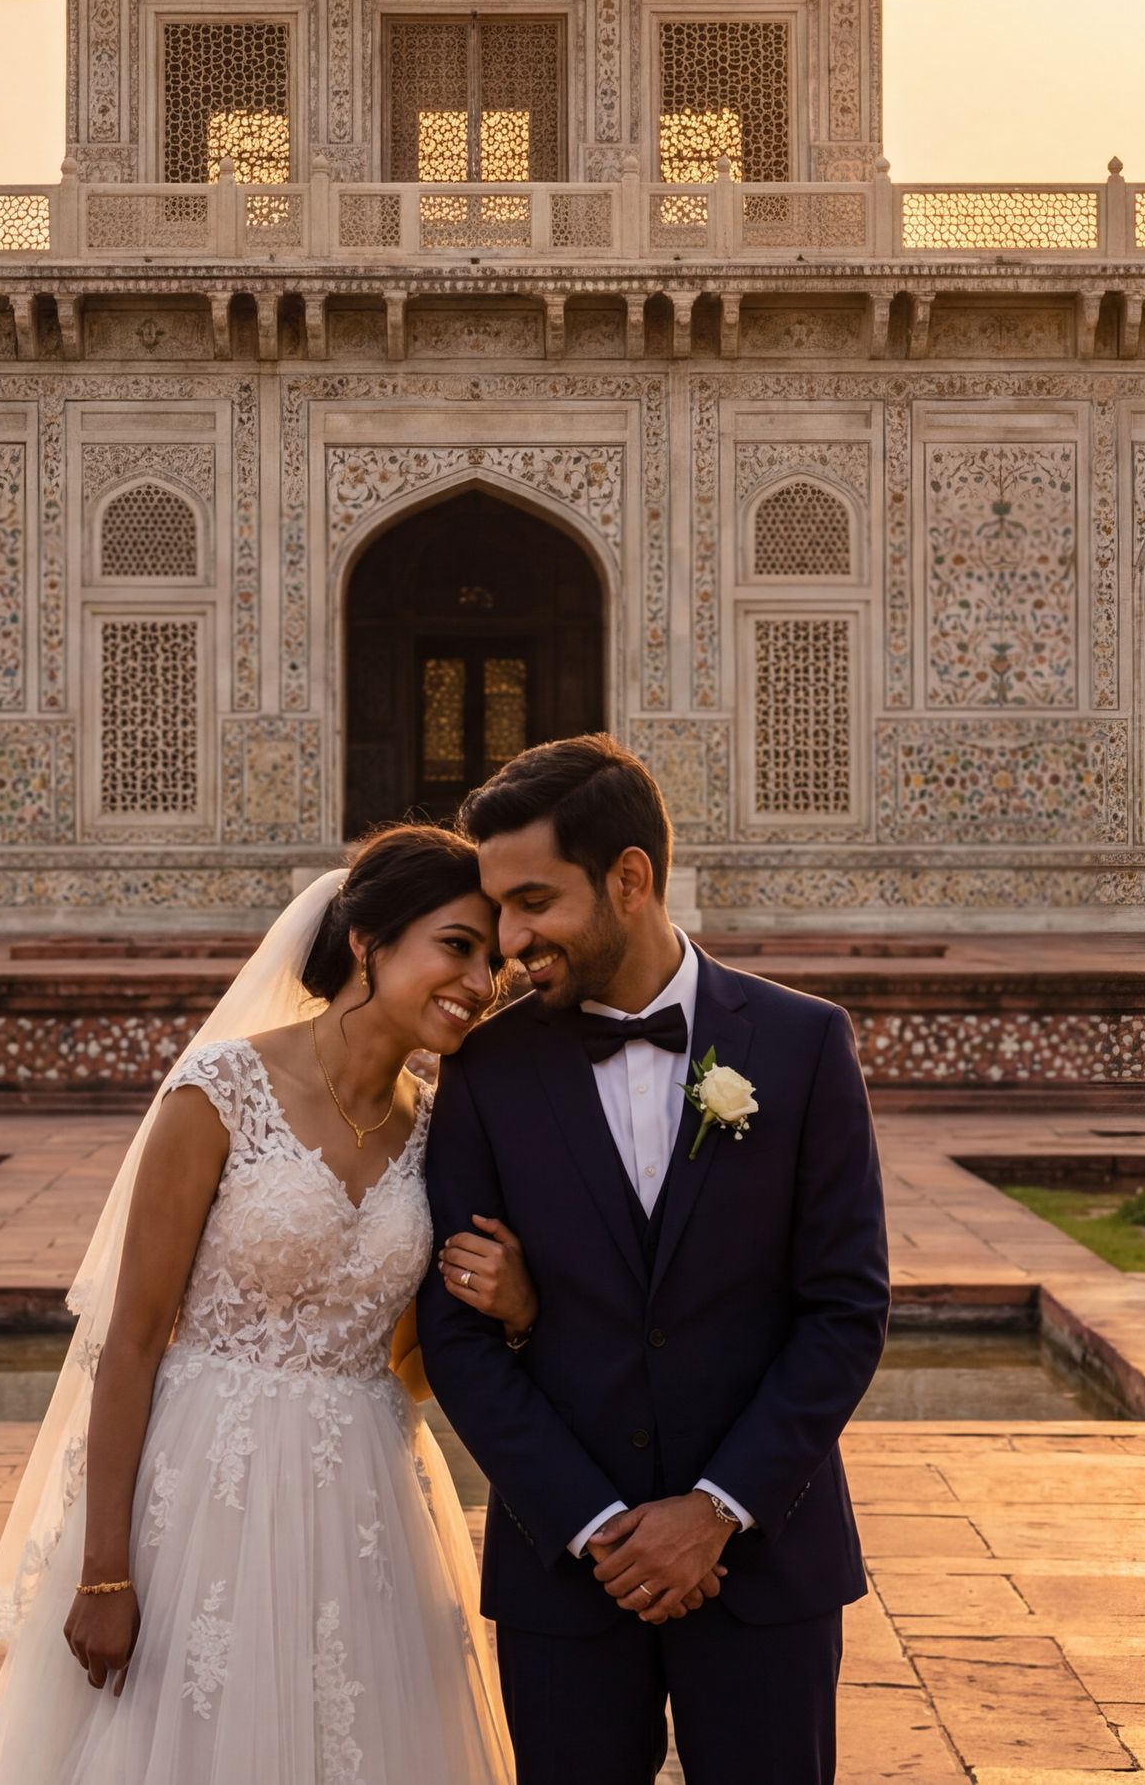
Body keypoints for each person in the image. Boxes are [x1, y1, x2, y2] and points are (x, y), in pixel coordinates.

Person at [0, 827, 530, 1784]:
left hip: (367, 1500)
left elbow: (430, 1340)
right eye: (457, 945)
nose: (479, 983)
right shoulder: (219, 1093)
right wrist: (105, 1569)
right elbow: (130, 1344)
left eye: (495, 962)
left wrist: (513, 1304)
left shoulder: (441, 1125)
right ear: (368, 941)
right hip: (204, 1493)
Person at [421, 735, 892, 1785]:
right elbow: (456, 1335)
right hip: (564, 1575)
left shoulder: (802, 1044)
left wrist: (715, 1510)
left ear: (629, 879)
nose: (508, 937)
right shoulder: (486, 1072)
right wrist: (594, 1525)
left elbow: (844, 1310)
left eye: (534, 901)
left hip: (769, 1566)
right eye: (499, 909)